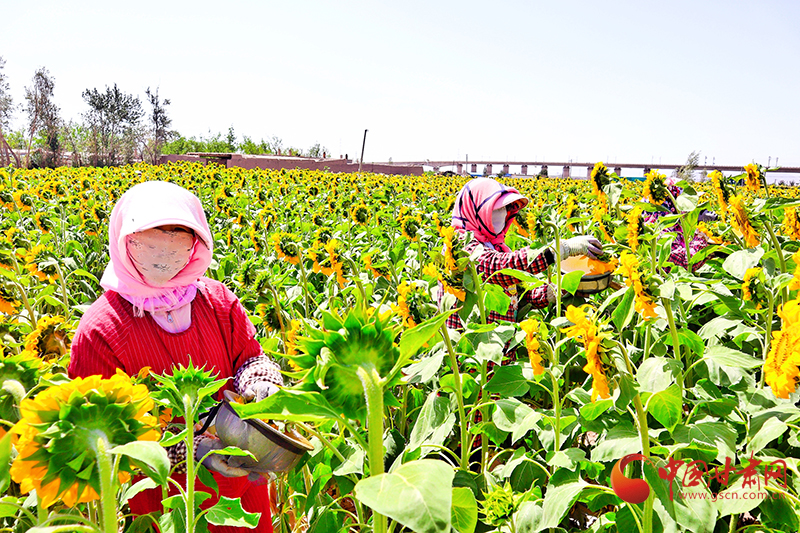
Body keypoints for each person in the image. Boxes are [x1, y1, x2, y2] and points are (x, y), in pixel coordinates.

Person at [69, 181, 283, 533]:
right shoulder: (101, 329)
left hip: (242, 494)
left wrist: (262, 382)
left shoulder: (217, 302)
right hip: (163, 505)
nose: (163, 252)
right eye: (150, 240)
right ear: (125, 240)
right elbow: (107, 441)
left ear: (195, 244)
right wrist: (192, 450)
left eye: (178, 238)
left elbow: (250, 358)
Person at [442, 177, 602, 331]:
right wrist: (557, 250)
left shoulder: (496, 245)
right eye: (495, 209)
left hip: (504, 350)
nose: (502, 214)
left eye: (504, 208)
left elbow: (519, 293)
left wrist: (555, 291)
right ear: (476, 210)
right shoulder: (459, 243)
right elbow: (496, 268)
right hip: (472, 352)